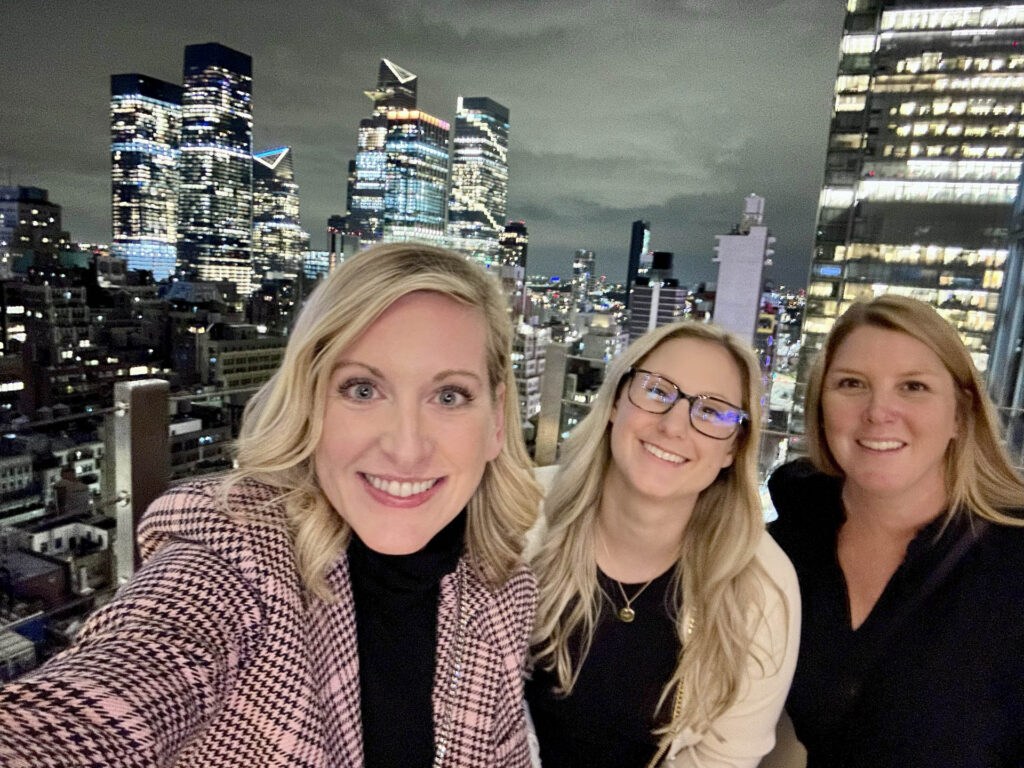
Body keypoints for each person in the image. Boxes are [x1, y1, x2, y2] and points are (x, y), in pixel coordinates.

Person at [0, 243, 543, 768]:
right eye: (361, 389)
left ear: (496, 421)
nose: (406, 448)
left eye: (449, 396)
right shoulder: (237, 556)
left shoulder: (502, 591)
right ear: (309, 402)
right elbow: (109, 695)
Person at [526, 321, 800, 767]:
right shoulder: (517, 517)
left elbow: (721, 760)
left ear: (733, 449)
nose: (674, 425)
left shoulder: (761, 586)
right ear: (616, 402)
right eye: (657, 391)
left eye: (712, 412)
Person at [768, 295, 1024, 767]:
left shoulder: (1011, 560)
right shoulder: (784, 549)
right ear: (820, 406)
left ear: (960, 414)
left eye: (913, 386)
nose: (878, 411)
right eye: (851, 384)